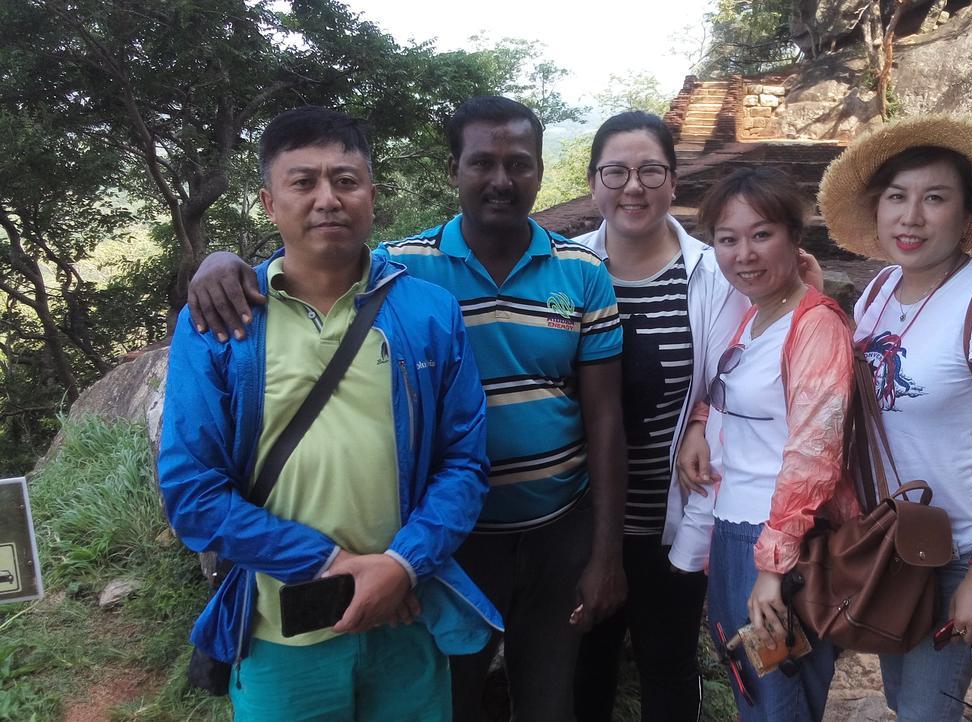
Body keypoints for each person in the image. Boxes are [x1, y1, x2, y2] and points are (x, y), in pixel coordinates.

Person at [184, 96, 627, 722]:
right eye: (482, 163)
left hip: (542, 528)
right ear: (453, 171)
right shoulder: (404, 268)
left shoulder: (578, 272)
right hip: (447, 547)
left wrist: (603, 551)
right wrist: (220, 263)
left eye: (519, 163)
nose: (501, 180)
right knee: (458, 693)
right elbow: (321, 261)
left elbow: (598, 419)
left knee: (547, 697)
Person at [158, 106, 501, 720]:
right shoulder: (221, 323)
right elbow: (192, 491)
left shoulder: (428, 312)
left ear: (372, 194)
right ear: (268, 202)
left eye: (345, 180)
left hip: (408, 615)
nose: (327, 199)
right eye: (303, 182)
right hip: (280, 634)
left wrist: (400, 564)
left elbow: (464, 463)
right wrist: (330, 565)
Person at [571, 112, 828, 722]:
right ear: (592, 181)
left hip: (692, 511)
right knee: (585, 664)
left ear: (673, 178)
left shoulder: (719, 272)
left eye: (651, 170)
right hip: (583, 516)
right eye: (616, 171)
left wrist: (694, 422)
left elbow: (761, 352)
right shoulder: (564, 267)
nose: (633, 186)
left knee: (672, 662)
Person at [816, 113, 972, 721]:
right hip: (889, 540)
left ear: (969, 216)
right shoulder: (882, 289)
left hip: (955, 549)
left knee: (923, 709)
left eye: (934, 198)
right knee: (902, 694)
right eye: (897, 197)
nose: (911, 217)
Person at [668, 167, 858, 721]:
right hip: (736, 531)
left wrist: (773, 568)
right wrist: (700, 423)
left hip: (779, 543)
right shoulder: (755, 317)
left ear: (794, 238)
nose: (743, 254)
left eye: (761, 234)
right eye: (727, 239)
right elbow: (729, 388)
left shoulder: (815, 325)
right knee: (754, 687)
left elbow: (815, 451)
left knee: (780, 697)